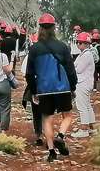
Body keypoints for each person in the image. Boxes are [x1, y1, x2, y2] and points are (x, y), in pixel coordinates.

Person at [26, 13, 77, 163]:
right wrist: (72, 86)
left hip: (44, 89)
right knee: (67, 115)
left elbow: (29, 73)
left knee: (47, 119)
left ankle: (51, 152)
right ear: (54, 27)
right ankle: (60, 136)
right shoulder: (62, 46)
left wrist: (34, 91)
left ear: (40, 28)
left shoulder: (34, 49)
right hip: (62, 87)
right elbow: (70, 69)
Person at [20, 34, 43, 146]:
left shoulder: (29, 56)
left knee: (36, 113)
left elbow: (25, 73)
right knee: (47, 113)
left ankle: (39, 135)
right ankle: (48, 136)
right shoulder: (49, 54)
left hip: (34, 86)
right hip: (47, 87)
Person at [73, 32, 96, 138]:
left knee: (82, 106)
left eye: (80, 42)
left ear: (86, 44)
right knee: (87, 106)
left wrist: (73, 68)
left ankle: (84, 129)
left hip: (83, 83)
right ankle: (92, 128)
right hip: (86, 83)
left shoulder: (86, 55)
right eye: (78, 42)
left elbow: (78, 69)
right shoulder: (83, 54)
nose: (78, 44)